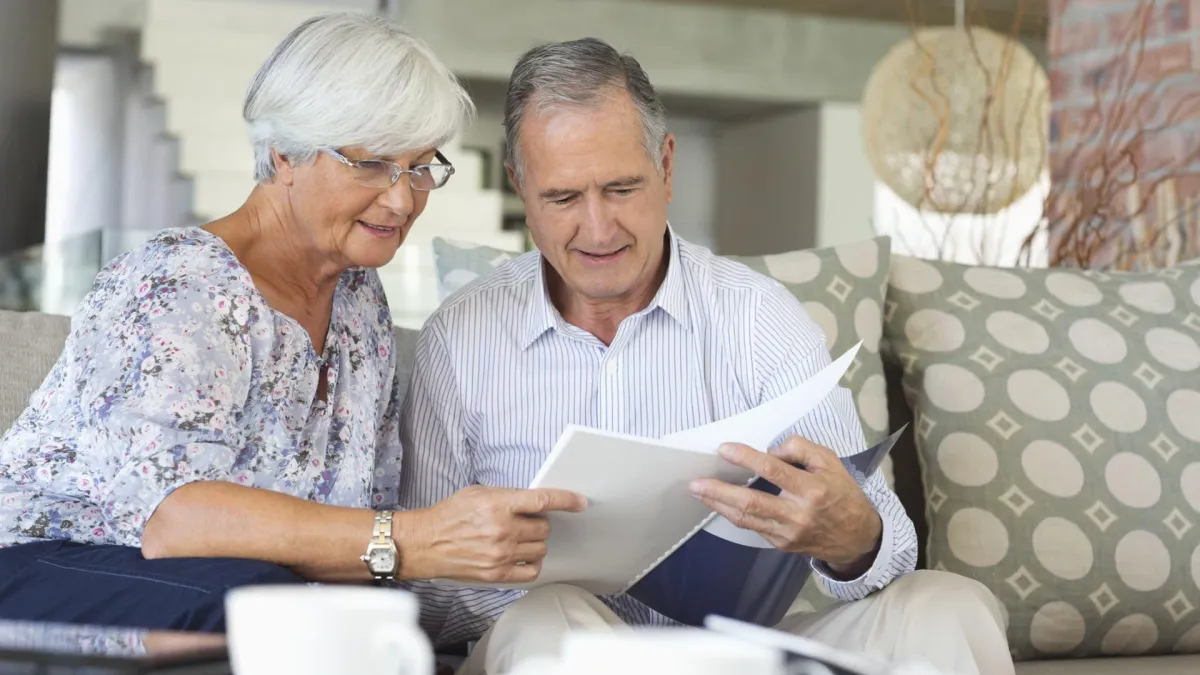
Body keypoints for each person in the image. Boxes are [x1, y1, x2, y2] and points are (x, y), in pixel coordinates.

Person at [399, 38, 1014, 675]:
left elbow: (881, 538)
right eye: (562, 198)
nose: (600, 228)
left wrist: (851, 535)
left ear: (665, 167)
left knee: (949, 604)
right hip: (562, 646)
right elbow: (424, 595)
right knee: (546, 615)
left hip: (735, 652)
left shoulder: (755, 314)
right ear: (521, 190)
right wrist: (512, 565)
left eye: (621, 188)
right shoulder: (462, 335)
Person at [0, 13, 585, 633]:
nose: (402, 199)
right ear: (283, 154)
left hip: (240, 582)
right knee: (269, 612)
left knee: (361, 614)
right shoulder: (180, 284)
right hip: (48, 563)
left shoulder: (358, 299)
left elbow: (353, 523)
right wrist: (412, 540)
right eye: (370, 163)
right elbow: (175, 520)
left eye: (419, 167)